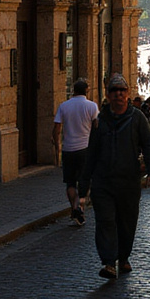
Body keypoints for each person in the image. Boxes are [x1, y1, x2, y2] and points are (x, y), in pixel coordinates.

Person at [78, 74, 150, 280]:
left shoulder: (137, 118)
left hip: (129, 181)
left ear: (128, 93)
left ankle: (123, 257)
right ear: (108, 94)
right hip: (103, 181)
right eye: (114, 91)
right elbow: (91, 153)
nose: (118, 94)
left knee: (126, 222)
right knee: (105, 220)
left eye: (122, 90)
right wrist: (83, 186)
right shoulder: (99, 121)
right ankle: (108, 262)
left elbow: (148, 145)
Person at [52, 78, 99, 225]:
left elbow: (56, 129)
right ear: (86, 91)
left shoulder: (64, 106)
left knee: (70, 182)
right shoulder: (92, 106)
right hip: (85, 149)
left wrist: (57, 147)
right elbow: (97, 127)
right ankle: (78, 206)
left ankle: (75, 208)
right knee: (85, 182)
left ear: (73, 91)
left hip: (68, 149)